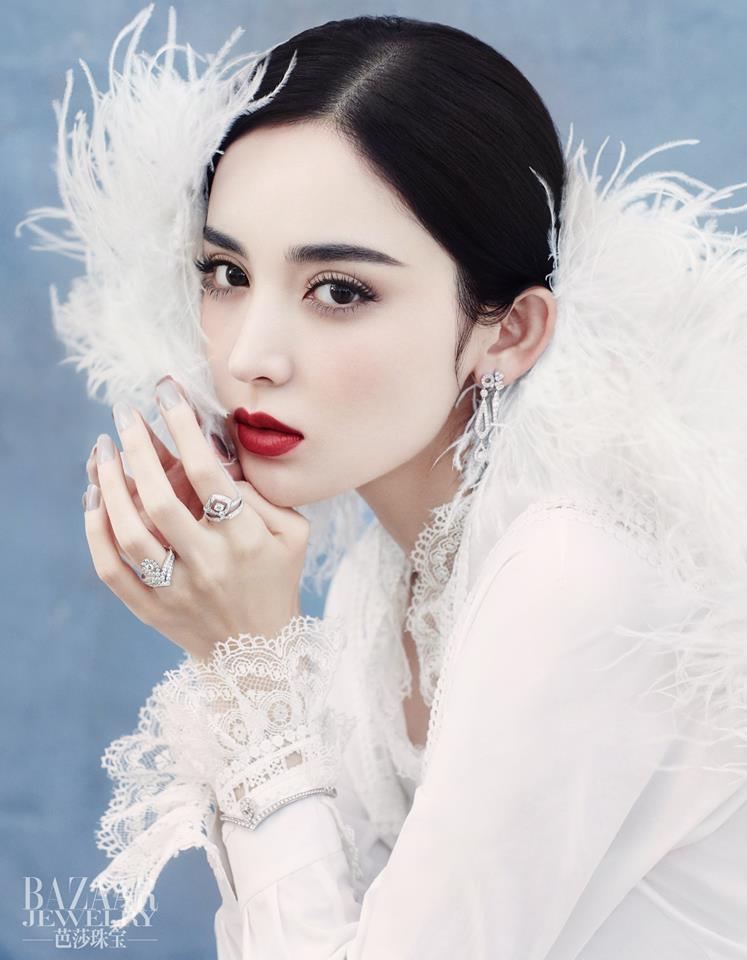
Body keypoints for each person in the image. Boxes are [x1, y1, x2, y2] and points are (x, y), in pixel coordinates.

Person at [17, 6, 747, 957]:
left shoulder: (575, 573)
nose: (249, 356)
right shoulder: (388, 578)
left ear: (509, 332)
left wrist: (248, 663)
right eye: (226, 273)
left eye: (339, 291)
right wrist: (240, 659)